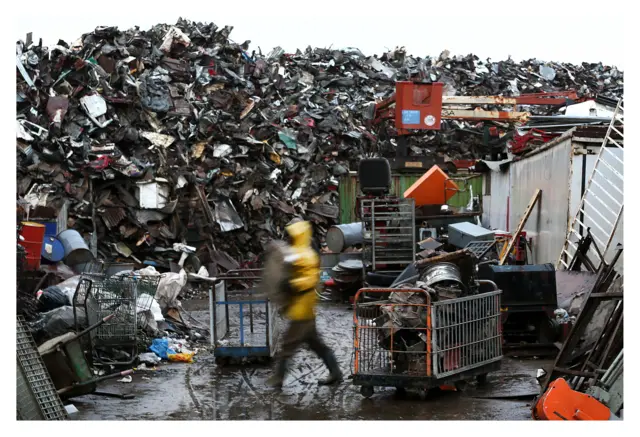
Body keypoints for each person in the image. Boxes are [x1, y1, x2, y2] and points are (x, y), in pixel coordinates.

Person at [266, 220, 342, 389]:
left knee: (287, 346)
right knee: (317, 345)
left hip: (302, 311)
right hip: (302, 309)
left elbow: (310, 279)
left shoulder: (306, 256)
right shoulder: (299, 253)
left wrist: (292, 284)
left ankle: (278, 379)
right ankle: (335, 373)